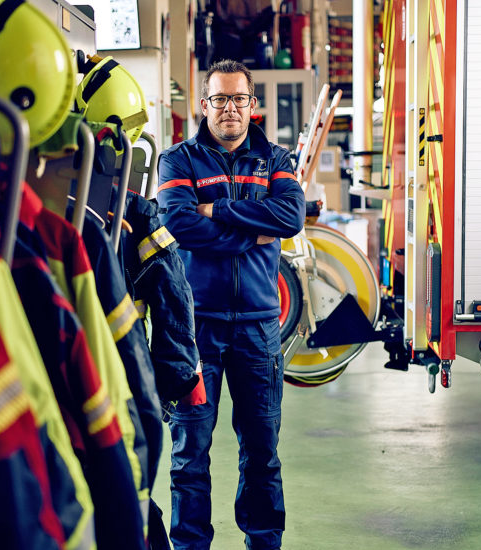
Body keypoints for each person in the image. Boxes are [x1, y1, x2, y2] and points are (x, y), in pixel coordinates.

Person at [156, 59, 306, 550]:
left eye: (239, 99)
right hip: (195, 331)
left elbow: (290, 215)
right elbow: (179, 224)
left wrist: (216, 210)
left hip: (260, 332)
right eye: (219, 99)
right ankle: (190, 545)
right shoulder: (178, 160)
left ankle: (264, 542)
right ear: (205, 105)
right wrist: (253, 232)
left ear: (252, 105)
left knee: (262, 450)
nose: (229, 109)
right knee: (189, 452)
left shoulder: (276, 160)